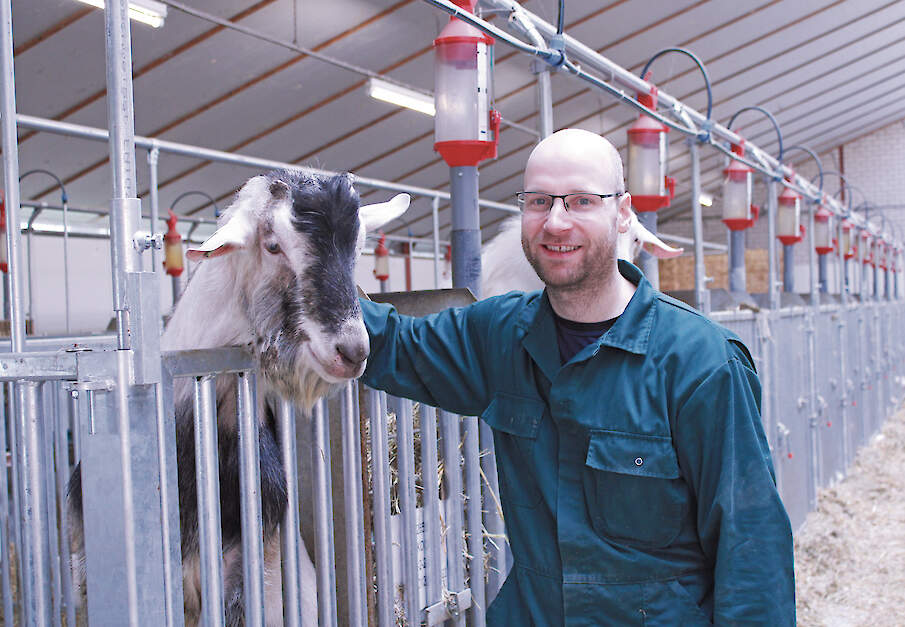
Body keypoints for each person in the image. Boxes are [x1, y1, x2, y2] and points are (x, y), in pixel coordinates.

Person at [359, 128, 795, 625]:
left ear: (623, 212)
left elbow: (751, 544)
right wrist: (297, 253)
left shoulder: (700, 363)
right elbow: (388, 342)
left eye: (582, 201)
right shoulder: (500, 334)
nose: (556, 221)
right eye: (539, 201)